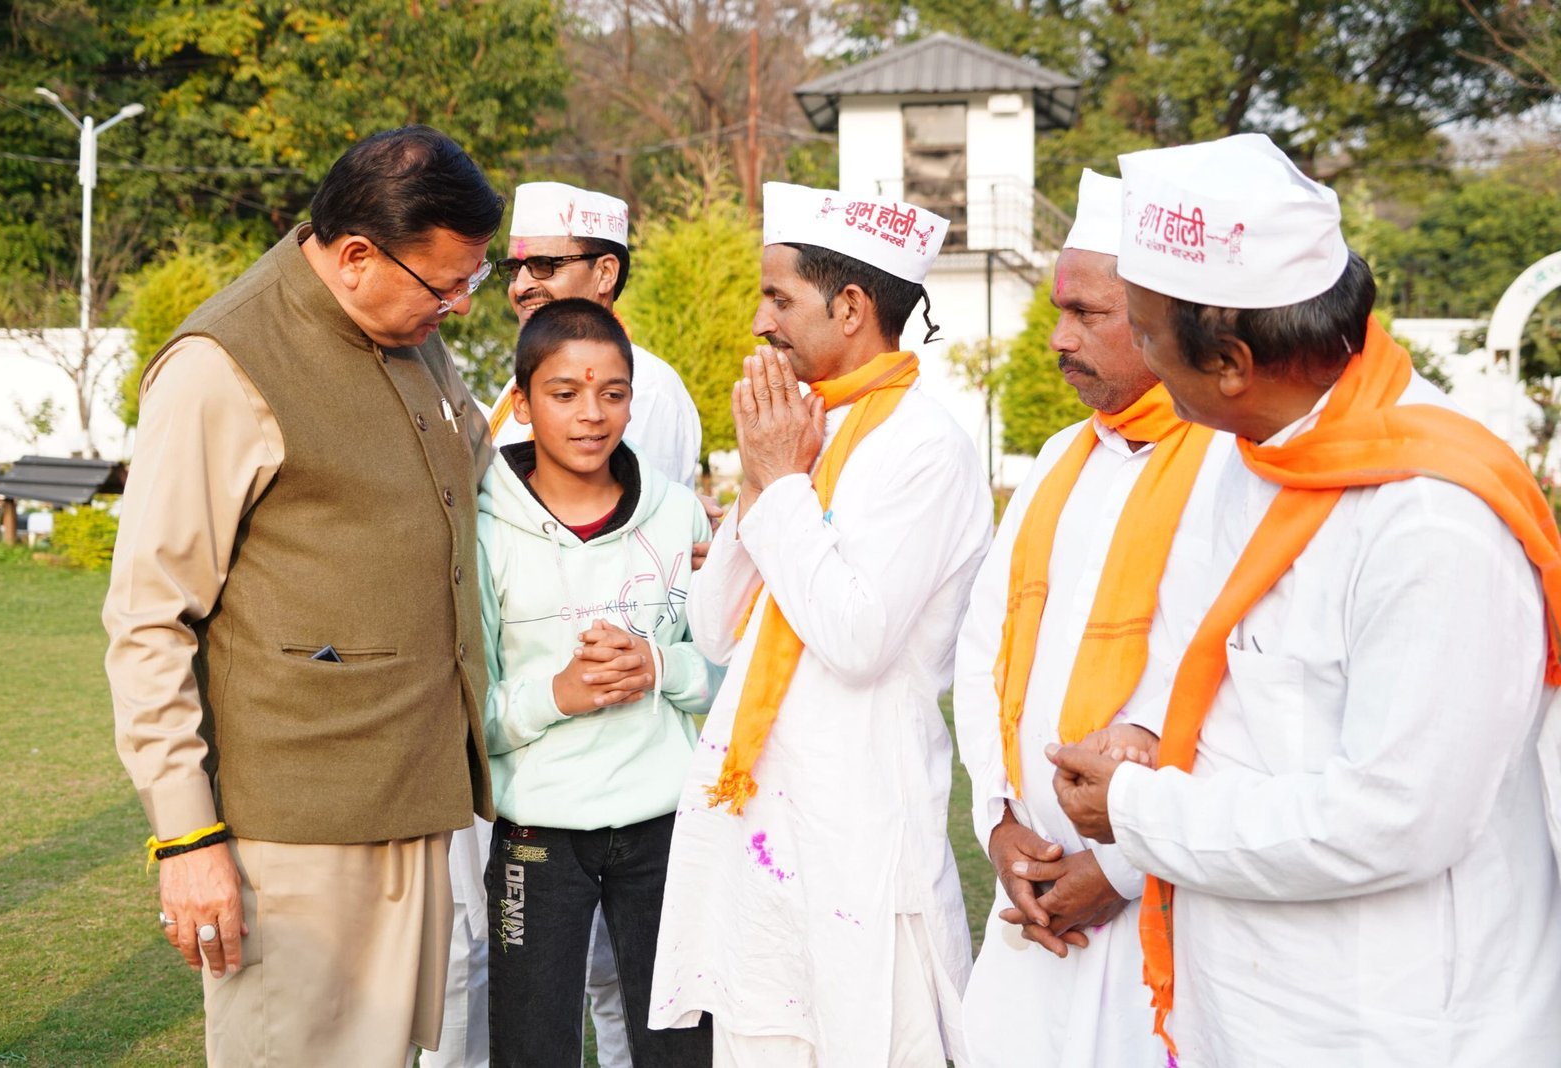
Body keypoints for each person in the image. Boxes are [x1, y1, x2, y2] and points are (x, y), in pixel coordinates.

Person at [1048, 133, 1561, 1064]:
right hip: (1250, 1001)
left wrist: (1138, 811)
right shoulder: (1249, 452)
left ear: (1235, 361)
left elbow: (1397, 819)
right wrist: (1151, 736)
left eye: (1151, 340)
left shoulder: (1430, 522)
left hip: (1389, 1023)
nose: (1147, 372)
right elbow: (1216, 663)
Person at [105, 126, 503, 1064]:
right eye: (443, 285)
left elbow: (476, 469)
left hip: (413, 795)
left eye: (468, 284)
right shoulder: (222, 365)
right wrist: (187, 839)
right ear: (358, 254)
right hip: (292, 830)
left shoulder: (408, 335)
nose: (456, 307)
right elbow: (148, 618)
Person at [649, 182, 994, 1067]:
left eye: (778, 297)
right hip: (761, 817)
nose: (760, 320)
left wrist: (782, 479)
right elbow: (717, 630)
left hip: (860, 824)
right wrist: (768, 477)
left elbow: (856, 636)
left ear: (849, 306)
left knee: (871, 1039)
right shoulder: (801, 427)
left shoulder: (925, 447)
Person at [952, 169, 1228, 1067]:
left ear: (1167, 320)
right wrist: (998, 818)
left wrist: (1116, 867)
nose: (1059, 340)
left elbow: (1224, 686)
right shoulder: (1058, 458)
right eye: (1058, 310)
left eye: (1092, 314)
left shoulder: (1233, 464)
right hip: (1031, 880)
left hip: (1157, 883)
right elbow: (984, 645)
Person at [478, 297, 718, 1067]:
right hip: (536, 834)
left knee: (680, 1042)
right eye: (565, 393)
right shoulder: (479, 531)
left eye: (613, 393)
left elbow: (731, 676)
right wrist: (557, 693)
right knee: (532, 1045)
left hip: (665, 824)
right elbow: (459, 714)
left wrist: (658, 666)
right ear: (521, 402)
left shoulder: (678, 516)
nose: (592, 414)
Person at [488, 181, 701, 489]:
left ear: (605, 274)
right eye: (514, 269)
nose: (520, 287)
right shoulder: (521, 384)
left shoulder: (648, 388)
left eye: (543, 266)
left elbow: (628, 525)